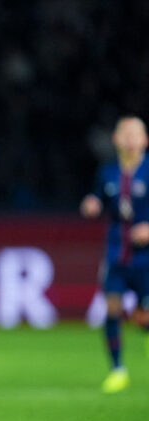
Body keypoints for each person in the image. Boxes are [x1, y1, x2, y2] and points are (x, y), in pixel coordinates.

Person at [80, 116, 149, 393]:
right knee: (112, 309)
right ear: (116, 139)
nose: (130, 138)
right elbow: (98, 200)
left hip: (146, 259)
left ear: (145, 140)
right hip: (116, 255)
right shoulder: (107, 172)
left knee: (144, 317)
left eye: (135, 133)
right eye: (125, 133)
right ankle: (118, 370)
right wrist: (92, 204)